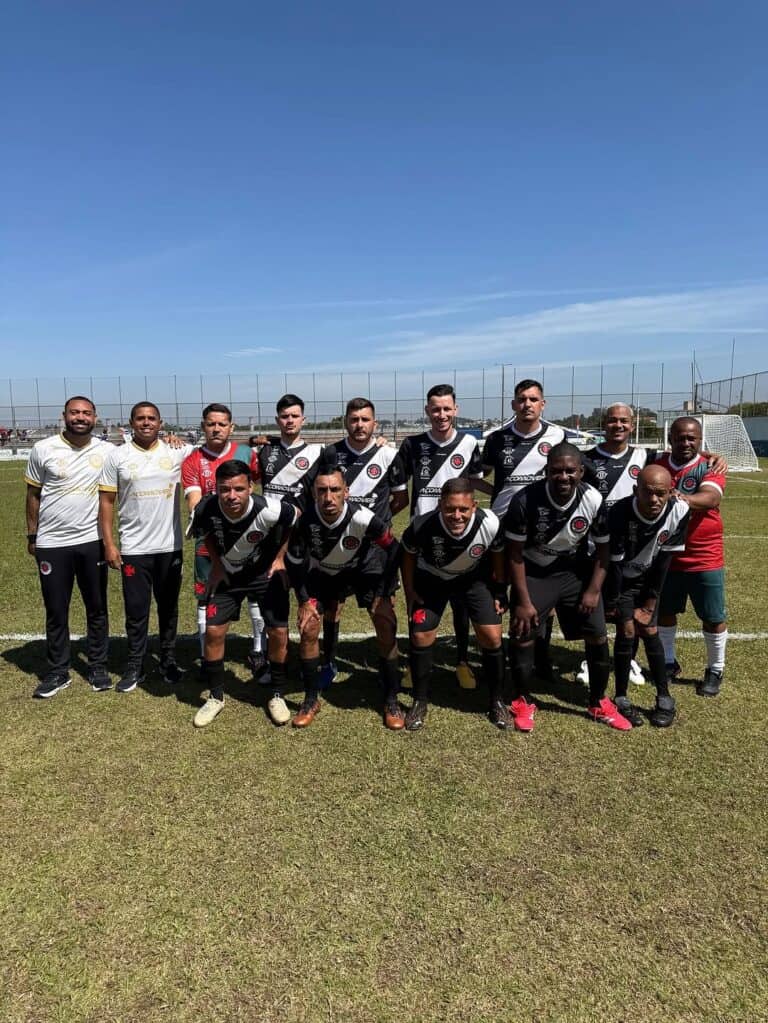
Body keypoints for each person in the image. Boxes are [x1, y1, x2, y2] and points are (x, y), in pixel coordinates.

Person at [504, 442, 630, 732]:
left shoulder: (592, 499)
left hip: (574, 572)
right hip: (535, 572)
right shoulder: (525, 500)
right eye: (556, 471)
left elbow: (603, 551)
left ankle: (598, 701)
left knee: (597, 634)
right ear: (546, 471)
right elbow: (514, 554)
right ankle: (522, 700)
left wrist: (593, 591)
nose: (563, 477)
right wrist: (522, 600)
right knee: (523, 632)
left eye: (570, 471)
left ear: (581, 472)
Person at [286, 463, 401, 728]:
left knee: (385, 622)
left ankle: (391, 699)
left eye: (335, 490)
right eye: (322, 490)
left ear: (346, 492)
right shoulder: (305, 521)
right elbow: (294, 560)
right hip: (325, 573)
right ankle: (311, 699)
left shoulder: (363, 518)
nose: (329, 497)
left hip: (364, 570)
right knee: (308, 627)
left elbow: (394, 548)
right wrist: (303, 600)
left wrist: (383, 593)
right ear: (314, 493)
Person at [190, 460, 299, 727]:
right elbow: (204, 533)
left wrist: (280, 558)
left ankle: (277, 694)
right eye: (224, 489)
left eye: (239, 488)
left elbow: (295, 517)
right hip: (228, 576)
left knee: (278, 632)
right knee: (213, 631)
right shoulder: (205, 507)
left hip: (263, 576)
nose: (231, 496)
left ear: (251, 487)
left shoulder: (270, 509)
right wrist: (216, 565)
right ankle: (216, 697)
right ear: (216, 489)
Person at [98, 402, 194, 692]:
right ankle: (135, 664)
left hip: (169, 547)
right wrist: (109, 544)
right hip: (134, 548)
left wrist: (258, 442)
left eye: (152, 418)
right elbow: (106, 503)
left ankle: (167, 660)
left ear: (160, 423)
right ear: (131, 423)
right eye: (140, 418)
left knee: (168, 608)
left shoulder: (177, 451)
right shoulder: (117, 456)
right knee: (136, 610)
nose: (146, 422)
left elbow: (214, 454)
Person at [399, 478, 508, 731]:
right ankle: (419, 700)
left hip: (473, 581)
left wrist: (500, 590)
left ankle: (497, 701)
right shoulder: (422, 524)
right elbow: (408, 555)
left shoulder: (490, 523)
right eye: (450, 509)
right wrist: (410, 591)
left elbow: (498, 555)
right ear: (440, 505)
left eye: (463, 509)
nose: (456, 516)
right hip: (432, 580)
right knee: (421, 635)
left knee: (492, 636)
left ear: (474, 506)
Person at [397, 384, 484, 690]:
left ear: (455, 410)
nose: (442, 414)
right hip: (424, 537)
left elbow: (476, 483)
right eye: (436, 409)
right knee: (418, 601)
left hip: (460, 536)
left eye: (447, 408)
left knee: (461, 604)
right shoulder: (412, 444)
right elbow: (397, 483)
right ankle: (413, 662)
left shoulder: (469, 444)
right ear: (427, 411)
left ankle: (462, 661)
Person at [318, 397, 408, 686]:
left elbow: (401, 498)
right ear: (346, 421)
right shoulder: (331, 453)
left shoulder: (389, 455)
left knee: (382, 608)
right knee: (333, 606)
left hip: (375, 549)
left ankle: (388, 669)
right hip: (338, 545)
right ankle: (328, 662)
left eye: (365, 419)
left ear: (374, 423)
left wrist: (374, 523)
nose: (359, 425)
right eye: (354, 419)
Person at [24, 395, 110, 697]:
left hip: (92, 542)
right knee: (56, 609)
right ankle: (58, 671)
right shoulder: (43, 449)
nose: (80, 417)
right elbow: (33, 494)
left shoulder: (108, 451)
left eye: (86, 413)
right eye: (75, 412)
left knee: (97, 607)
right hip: (52, 544)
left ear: (95, 418)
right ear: (64, 416)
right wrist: (33, 536)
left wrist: (172, 439)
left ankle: (98, 666)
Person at [482, 379, 565, 680]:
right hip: (501, 528)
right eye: (521, 399)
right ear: (513, 404)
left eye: (533, 399)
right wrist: (498, 494)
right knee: (496, 592)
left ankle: (541, 656)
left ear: (543, 404)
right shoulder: (497, 439)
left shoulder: (557, 436)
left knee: (541, 595)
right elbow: (476, 474)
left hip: (541, 529)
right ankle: (494, 656)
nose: (527, 404)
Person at [605, 465, 690, 727]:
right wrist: (614, 601)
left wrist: (650, 604)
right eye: (647, 492)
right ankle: (621, 697)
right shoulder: (619, 512)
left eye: (660, 493)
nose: (654, 499)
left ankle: (664, 696)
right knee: (627, 630)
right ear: (635, 490)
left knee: (650, 630)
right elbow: (615, 565)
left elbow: (665, 561)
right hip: (621, 579)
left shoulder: (679, 510)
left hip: (650, 578)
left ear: (671, 492)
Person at [181, 403, 265, 668]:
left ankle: (259, 651)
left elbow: (257, 489)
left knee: (255, 593)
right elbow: (195, 505)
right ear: (203, 426)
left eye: (221, 424)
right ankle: (206, 655)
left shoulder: (246, 454)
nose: (216, 429)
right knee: (206, 595)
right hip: (210, 540)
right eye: (211, 424)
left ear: (231, 427)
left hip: (248, 538)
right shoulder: (192, 460)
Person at [656, 417, 728, 696]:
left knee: (712, 616)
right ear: (670, 438)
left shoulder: (709, 466)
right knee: (665, 612)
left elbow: (710, 498)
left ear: (699, 440)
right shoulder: (657, 462)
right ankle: (668, 662)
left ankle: (715, 669)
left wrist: (679, 498)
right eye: (680, 437)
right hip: (666, 555)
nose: (685, 442)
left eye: (691, 438)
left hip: (703, 556)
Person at [258, 394, 323, 505]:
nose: (290, 420)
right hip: (270, 515)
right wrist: (251, 440)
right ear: (277, 420)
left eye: (295, 416)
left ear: (303, 420)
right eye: (284, 416)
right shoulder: (265, 449)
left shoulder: (317, 454)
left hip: (303, 516)